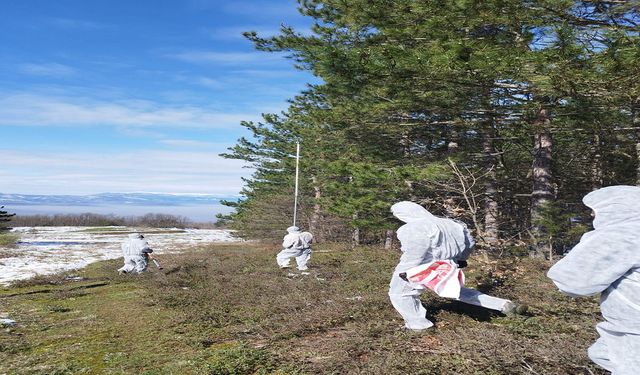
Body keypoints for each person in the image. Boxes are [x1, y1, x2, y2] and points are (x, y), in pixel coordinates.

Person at [389, 201, 524, 331]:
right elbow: (469, 244)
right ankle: (503, 304)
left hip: (423, 268)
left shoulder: (413, 227)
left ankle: (418, 326)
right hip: (448, 265)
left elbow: (416, 252)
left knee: (400, 293)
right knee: (456, 291)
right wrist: (460, 259)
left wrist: (406, 271)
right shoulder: (453, 224)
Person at [547, 185, 640, 375]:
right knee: (602, 352)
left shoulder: (623, 234)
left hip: (633, 332)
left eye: (595, 211)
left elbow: (572, 281)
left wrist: (592, 240)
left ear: (615, 207)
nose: (592, 216)